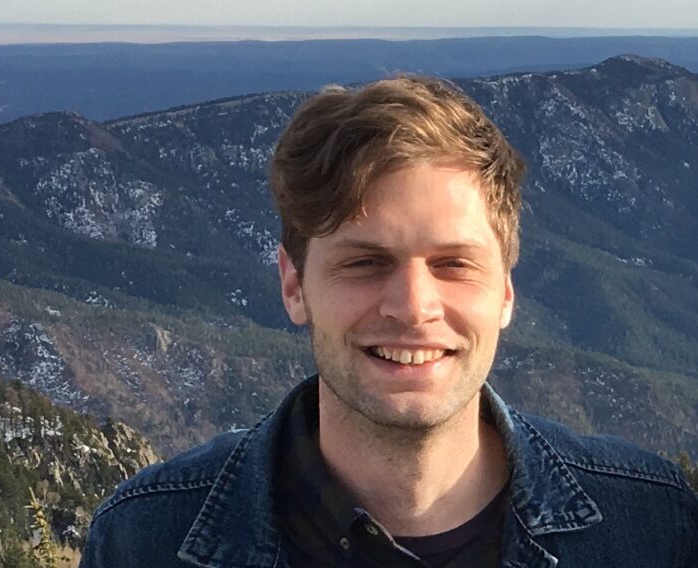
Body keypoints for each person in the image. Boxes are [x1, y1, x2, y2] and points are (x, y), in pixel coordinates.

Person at [81, 76, 697, 567]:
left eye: (454, 264)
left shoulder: (650, 527)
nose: (413, 305)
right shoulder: (146, 539)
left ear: (506, 292)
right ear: (294, 286)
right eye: (365, 262)